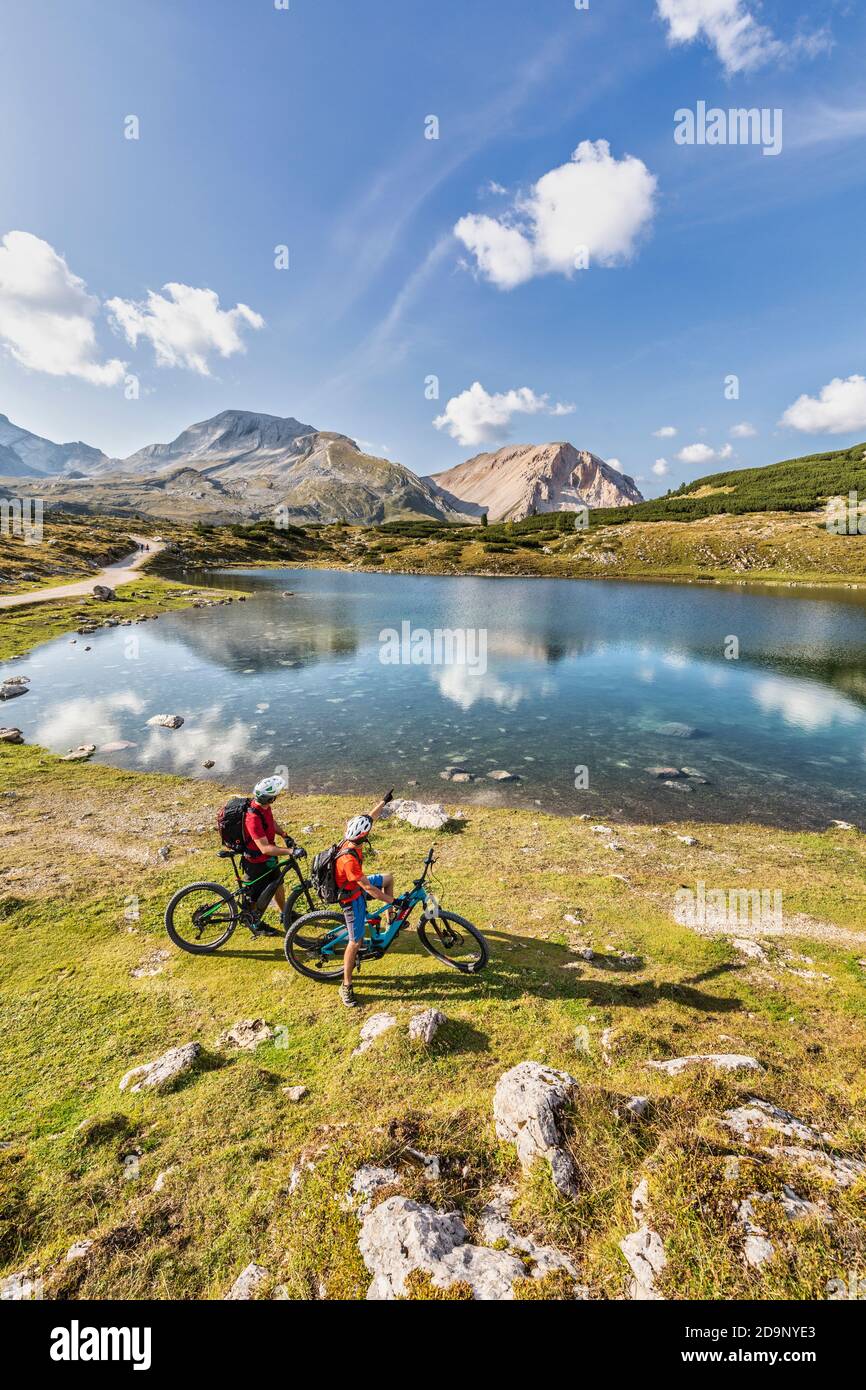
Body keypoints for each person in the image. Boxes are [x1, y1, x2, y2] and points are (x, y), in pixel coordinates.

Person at [334, 790, 396, 1007]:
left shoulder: (351, 837)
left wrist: (384, 801)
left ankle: (391, 920)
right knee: (355, 941)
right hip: (352, 897)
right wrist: (393, 901)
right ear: (363, 837)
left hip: (357, 883)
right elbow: (369, 889)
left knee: (388, 878)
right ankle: (346, 986)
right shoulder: (348, 861)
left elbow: (371, 817)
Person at [242, 775, 299, 937]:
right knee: (254, 897)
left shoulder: (264, 807)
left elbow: (270, 822)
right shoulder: (252, 818)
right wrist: (290, 851)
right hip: (256, 862)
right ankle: (255, 924)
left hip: (269, 860)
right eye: (275, 795)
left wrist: (283, 833)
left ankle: (285, 913)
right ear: (269, 798)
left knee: (277, 884)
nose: (277, 797)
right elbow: (265, 848)